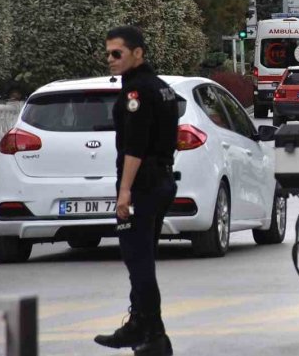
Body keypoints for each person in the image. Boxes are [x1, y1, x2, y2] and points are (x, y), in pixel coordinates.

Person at [94, 26, 178, 356]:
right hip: (161, 180)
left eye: (118, 53)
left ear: (138, 53)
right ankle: (145, 331)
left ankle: (149, 329)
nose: (111, 60)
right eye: (108, 54)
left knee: (137, 260)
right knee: (142, 258)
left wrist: (124, 191)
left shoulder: (137, 93)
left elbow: (136, 146)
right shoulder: (161, 88)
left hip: (142, 184)